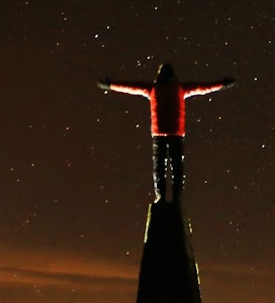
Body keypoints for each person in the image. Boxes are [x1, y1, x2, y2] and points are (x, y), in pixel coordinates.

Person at [99, 63, 234, 202]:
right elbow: (203, 88)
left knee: (160, 167)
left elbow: (131, 87)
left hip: (159, 134)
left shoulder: (153, 89)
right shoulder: (180, 88)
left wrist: (111, 85)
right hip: (176, 133)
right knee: (176, 167)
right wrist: (221, 84)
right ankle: (176, 197)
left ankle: (161, 196)